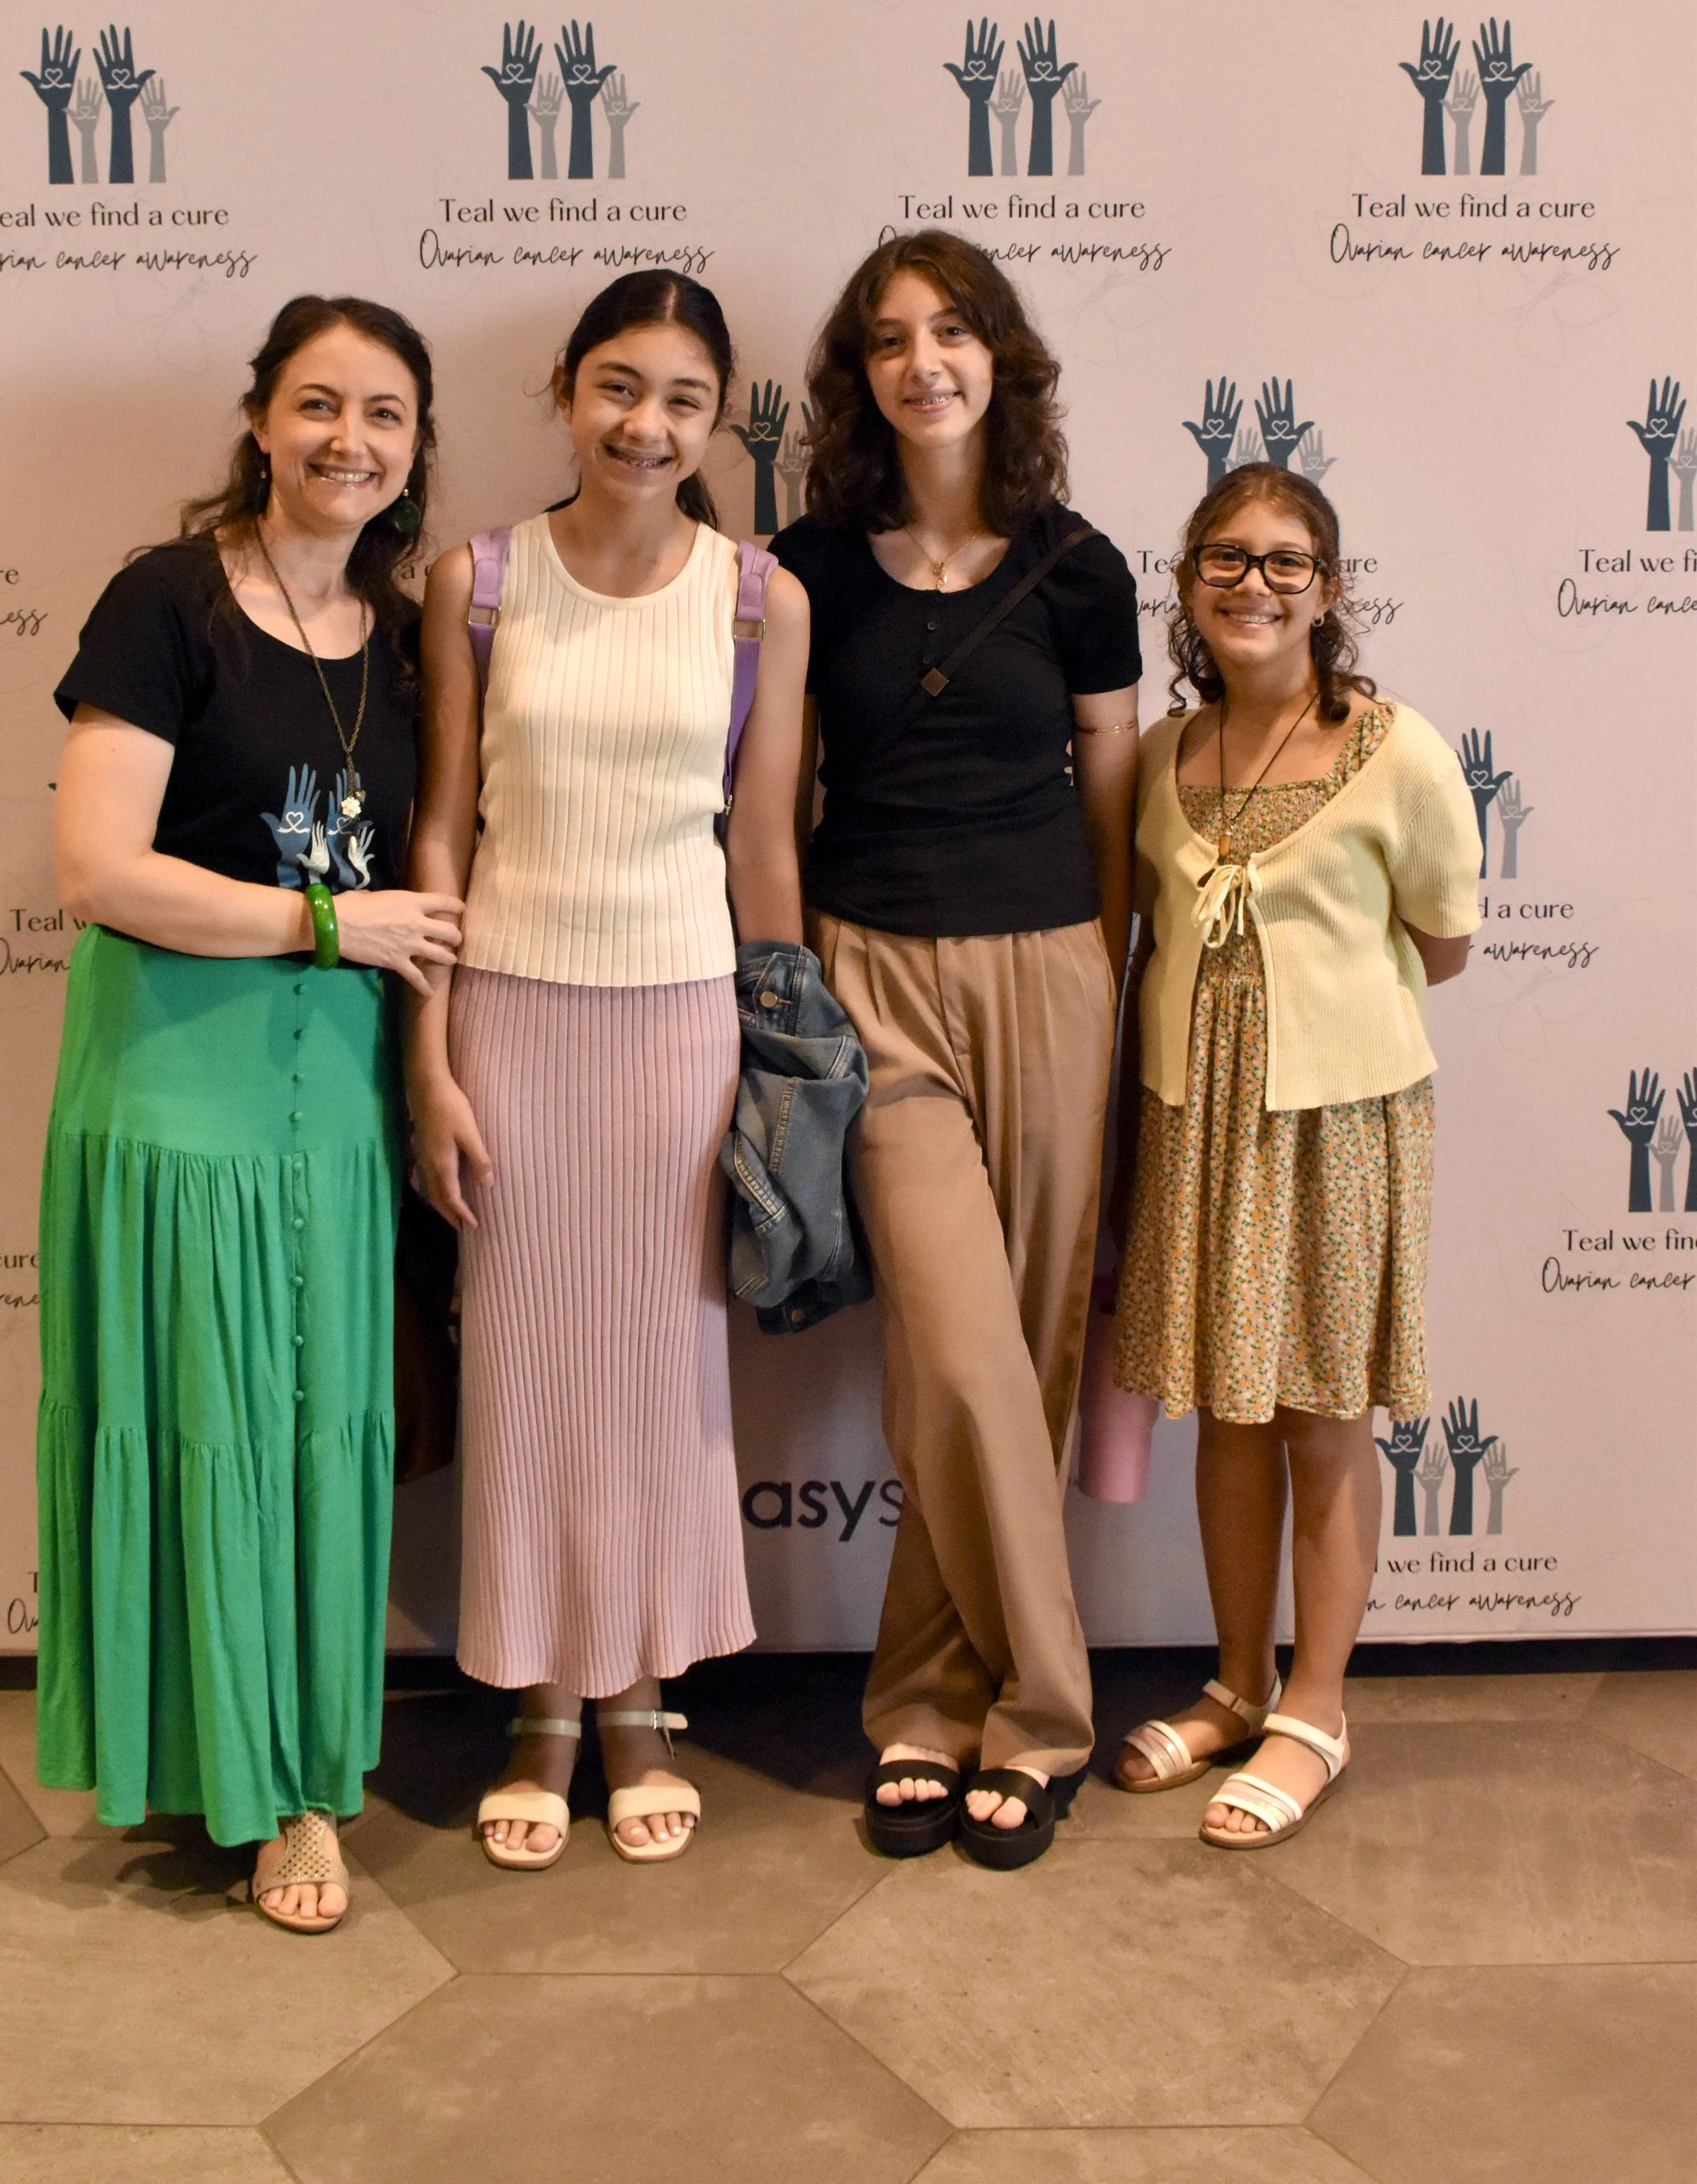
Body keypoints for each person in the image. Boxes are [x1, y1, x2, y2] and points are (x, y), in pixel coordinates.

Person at [37, 295, 461, 1933]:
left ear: (418, 448)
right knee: (204, 1425)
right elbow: (99, 872)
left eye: (384, 417)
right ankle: (230, 1775)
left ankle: (298, 1779)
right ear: (262, 420)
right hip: (174, 1085)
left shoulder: (405, 633)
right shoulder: (167, 602)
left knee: (310, 1441)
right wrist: (327, 925)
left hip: (332, 1103)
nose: (347, 442)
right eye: (317, 406)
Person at [409, 269, 808, 1869]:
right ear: (567, 391)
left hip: (682, 1025)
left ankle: (639, 1698)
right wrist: (425, 1057)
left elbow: (764, 846)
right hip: (507, 1011)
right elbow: (444, 826)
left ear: (717, 420)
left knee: (660, 1373)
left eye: (683, 401)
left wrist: (791, 1070)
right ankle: (540, 1706)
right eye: (618, 388)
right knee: (521, 1368)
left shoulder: (757, 598)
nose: (647, 425)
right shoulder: (478, 580)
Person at [772, 229, 1141, 1869]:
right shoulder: (803, 566)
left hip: (1054, 969)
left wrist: (1106, 990)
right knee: (964, 1352)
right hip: (870, 980)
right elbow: (773, 804)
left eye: (953, 330)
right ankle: (1049, 1715)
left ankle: (923, 1703)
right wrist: (782, 988)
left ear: (1002, 358)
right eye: (889, 338)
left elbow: (1116, 812)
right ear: (859, 376)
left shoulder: (1080, 569)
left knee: (1004, 1369)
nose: (923, 360)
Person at [1112, 465, 1479, 1846]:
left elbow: (1442, 941)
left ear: (1328, 587)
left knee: (1321, 1412)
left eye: (1283, 561)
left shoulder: (1399, 748)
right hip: (1193, 1122)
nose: (1251, 583)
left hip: (1336, 1127)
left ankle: (1317, 1705)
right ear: (1189, 586)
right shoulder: (1164, 753)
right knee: (1228, 1408)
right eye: (1223, 558)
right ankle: (1236, 1678)